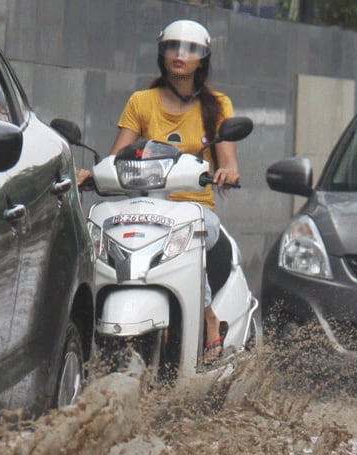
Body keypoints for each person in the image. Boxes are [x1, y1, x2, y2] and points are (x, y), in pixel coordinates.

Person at [79, 19, 240, 363]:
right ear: (161, 53)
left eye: (191, 49)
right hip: (142, 208)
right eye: (173, 46)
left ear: (204, 59)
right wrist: (93, 175)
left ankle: (208, 317)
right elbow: (115, 156)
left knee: (200, 234)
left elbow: (228, 161)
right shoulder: (141, 101)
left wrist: (226, 171)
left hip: (195, 209)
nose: (180, 54)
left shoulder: (218, 105)